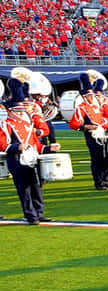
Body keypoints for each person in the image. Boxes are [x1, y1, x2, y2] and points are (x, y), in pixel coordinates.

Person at [0, 78, 60, 223]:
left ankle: (39, 213)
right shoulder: (6, 124)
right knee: (24, 189)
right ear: (12, 111)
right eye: (19, 111)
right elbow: (2, 144)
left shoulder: (28, 123)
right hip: (16, 159)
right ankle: (30, 215)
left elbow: (36, 145)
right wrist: (17, 147)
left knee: (36, 186)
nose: (22, 113)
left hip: (31, 158)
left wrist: (48, 148)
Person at [68, 73, 108, 190]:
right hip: (92, 136)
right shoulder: (81, 108)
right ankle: (98, 182)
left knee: (105, 158)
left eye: (92, 95)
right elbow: (73, 124)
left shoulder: (98, 106)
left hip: (102, 134)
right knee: (97, 159)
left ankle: (105, 181)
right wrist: (86, 127)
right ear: (84, 97)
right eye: (89, 95)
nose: (92, 97)